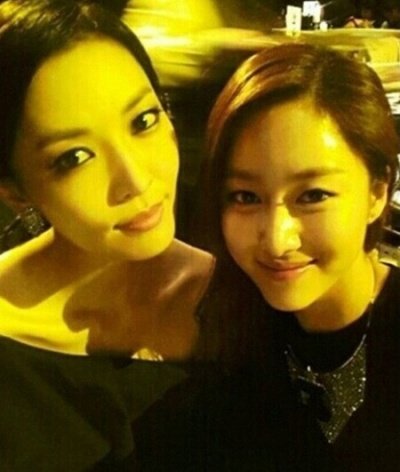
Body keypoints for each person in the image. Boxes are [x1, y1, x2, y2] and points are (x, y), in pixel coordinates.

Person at [0, 0, 215, 470]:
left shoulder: (244, 292)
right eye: (74, 157)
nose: (135, 180)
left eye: (143, 121)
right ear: (15, 191)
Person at [196, 42, 400, 471]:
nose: (276, 240)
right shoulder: (222, 332)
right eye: (245, 196)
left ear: (377, 192)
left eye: (312, 195)